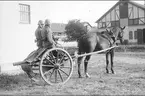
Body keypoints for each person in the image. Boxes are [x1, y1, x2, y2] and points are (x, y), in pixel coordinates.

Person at [21, 20, 44, 84]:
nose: (42, 25)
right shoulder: (40, 30)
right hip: (42, 45)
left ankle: (33, 76)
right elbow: (43, 38)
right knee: (39, 53)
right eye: (42, 24)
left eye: (43, 24)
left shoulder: (37, 30)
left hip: (39, 44)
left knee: (37, 52)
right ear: (39, 24)